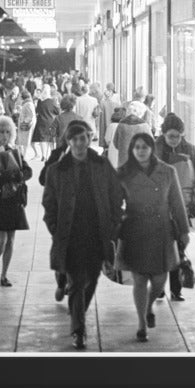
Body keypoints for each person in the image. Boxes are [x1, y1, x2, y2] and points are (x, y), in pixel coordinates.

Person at [42, 119, 122, 351]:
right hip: (71, 235)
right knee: (77, 281)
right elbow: (49, 203)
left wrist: (114, 222)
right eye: (74, 139)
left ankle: (78, 313)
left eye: (83, 138)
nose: (79, 143)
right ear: (68, 142)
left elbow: (115, 193)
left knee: (93, 279)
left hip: (97, 232)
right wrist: (55, 227)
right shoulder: (57, 170)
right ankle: (79, 329)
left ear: (89, 139)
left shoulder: (101, 165)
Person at [117, 132, 190, 342]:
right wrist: (114, 226)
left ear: (151, 149)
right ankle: (141, 324)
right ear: (132, 150)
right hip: (135, 229)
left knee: (159, 279)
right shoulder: (123, 173)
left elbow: (176, 202)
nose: (141, 151)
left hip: (161, 230)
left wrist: (184, 230)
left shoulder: (168, 172)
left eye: (145, 147)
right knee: (139, 279)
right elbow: (113, 202)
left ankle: (148, 306)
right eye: (137, 147)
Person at [155, 113, 195, 301]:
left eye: (178, 136)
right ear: (163, 134)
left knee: (179, 247)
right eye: (170, 136)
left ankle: (176, 290)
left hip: (182, 205)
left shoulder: (190, 149)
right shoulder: (155, 148)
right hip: (159, 205)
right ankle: (158, 288)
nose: (174, 140)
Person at [0, 115, 32, 287]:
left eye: (7, 131)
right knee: (1, 239)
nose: (4, 135)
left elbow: (28, 171)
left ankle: (4, 275)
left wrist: (20, 175)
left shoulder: (15, 152)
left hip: (14, 199)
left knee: (11, 239)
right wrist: (6, 175)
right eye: (1, 132)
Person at [111, 101, 153, 167]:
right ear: (140, 112)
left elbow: (116, 144)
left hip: (123, 162)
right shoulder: (144, 126)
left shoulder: (121, 124)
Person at [32, 84, 60, 160]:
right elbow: (58, 111)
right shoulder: (53, 101)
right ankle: (52, 155)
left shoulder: (40, 101)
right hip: (51, 122)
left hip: (41, 121)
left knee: (42, 139)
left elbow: (36, 111)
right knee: (51, 139)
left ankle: (44, 156)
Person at [15, 88, 37, 158]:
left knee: (25, 141)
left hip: (26, 126)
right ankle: (23, 155)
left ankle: (24, 155)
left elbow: (31, 115)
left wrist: (24, 121)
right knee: (23, 141)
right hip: (26, 125)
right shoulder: (27, 103)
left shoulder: (28, 104)